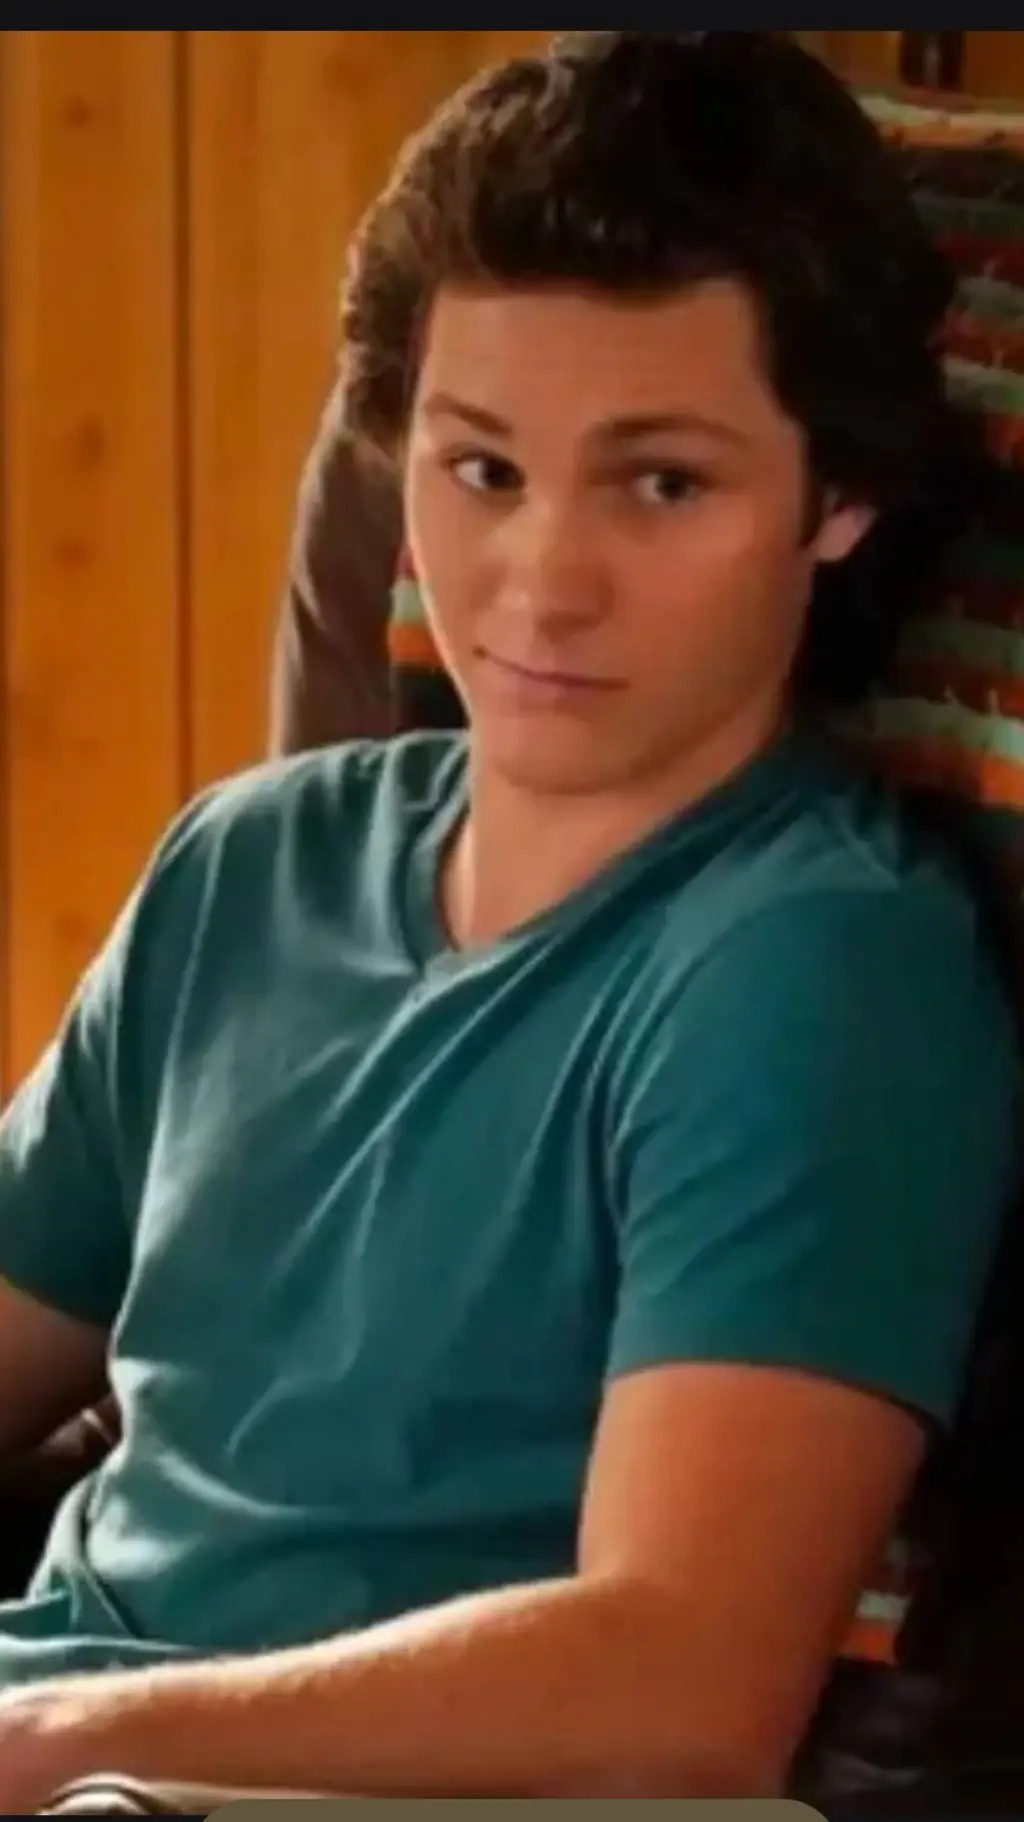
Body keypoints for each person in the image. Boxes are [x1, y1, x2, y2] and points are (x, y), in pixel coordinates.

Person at [0, 29, 1016, 1808]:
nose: (542, 582)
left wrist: (61, 1737)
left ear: (838, 498)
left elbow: (682, 1677)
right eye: (481, 470)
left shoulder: (823, 968)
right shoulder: (247, 863)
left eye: (662, 482)